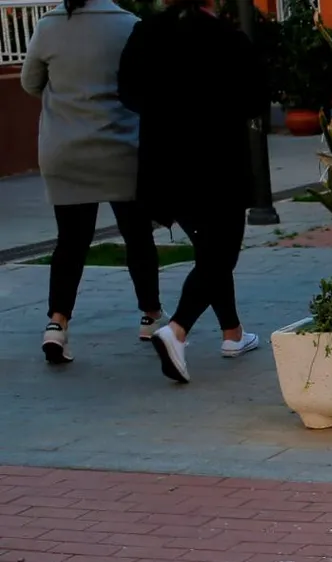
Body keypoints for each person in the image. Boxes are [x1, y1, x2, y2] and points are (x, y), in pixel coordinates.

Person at [117, 0, 268, 384]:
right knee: (222, 251)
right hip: (218, 163)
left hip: (163, 162)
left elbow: (128, 92)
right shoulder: (227, 37)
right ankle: (178, 330)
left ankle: (233, 333)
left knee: (209, 250)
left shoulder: (146, 32)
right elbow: (255, 99)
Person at [21, 0, 163, 366]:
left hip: (65, 150)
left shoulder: (48, 25)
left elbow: (30, 82)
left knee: (70, 241)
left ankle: (57, 324)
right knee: (137, 235)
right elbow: (146, 84)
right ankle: (150, 316)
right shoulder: (128, 24)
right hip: (121, 148)